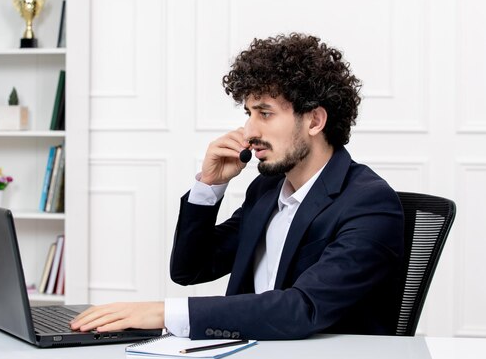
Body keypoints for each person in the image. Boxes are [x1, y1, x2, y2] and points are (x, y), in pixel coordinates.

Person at [70, 33, 405, 340]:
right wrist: (209, 186)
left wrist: (163, 313)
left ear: (315, 121)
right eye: (248, 113)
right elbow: (190, 269)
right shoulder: (267, 190)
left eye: (265, 113)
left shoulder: (370, 203)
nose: (248, 131)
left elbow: (303, 308)